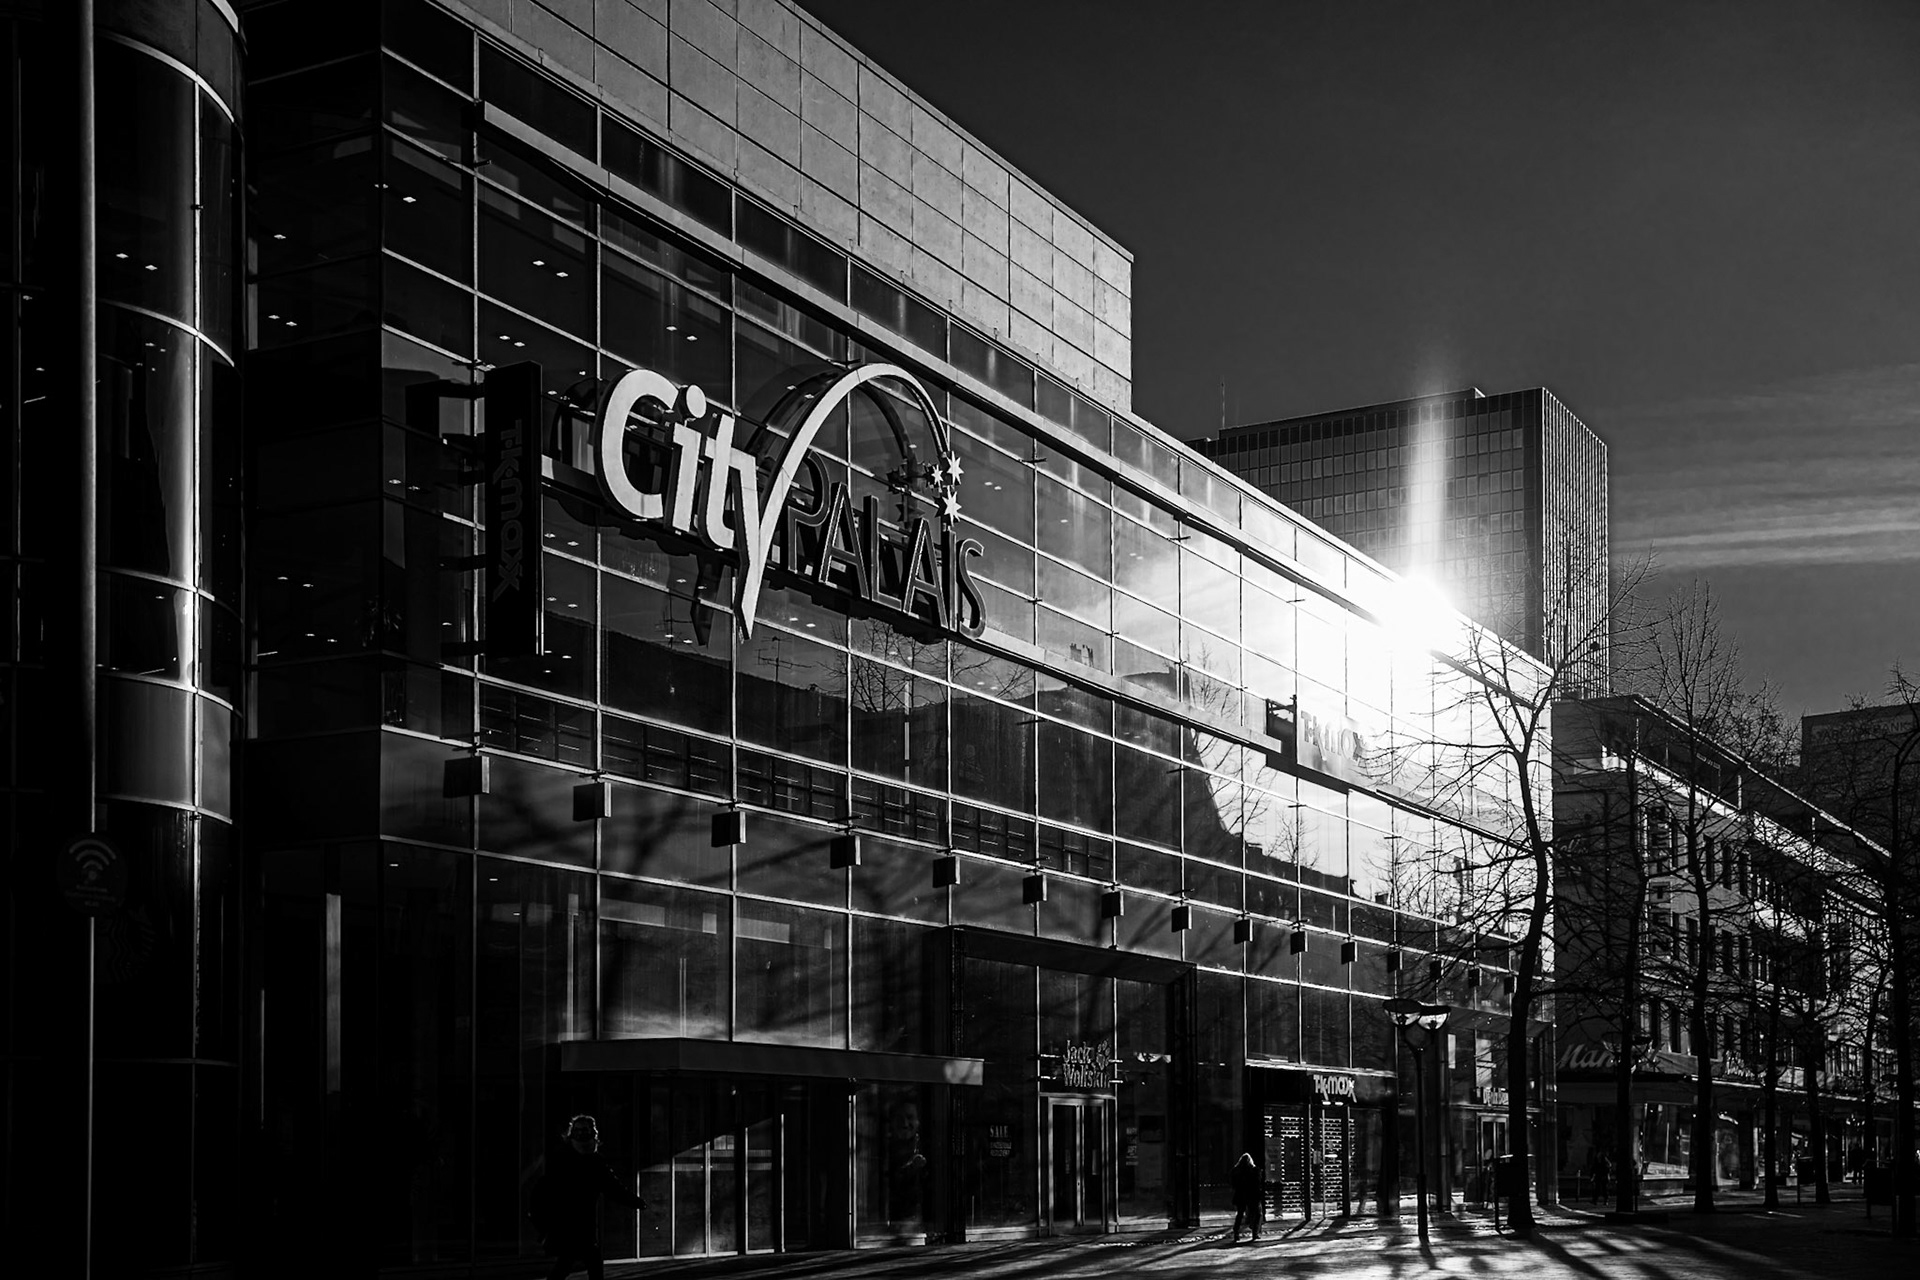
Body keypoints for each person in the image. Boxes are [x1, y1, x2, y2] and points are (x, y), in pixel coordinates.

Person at [531, 1115, 647, 1280]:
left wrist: (635, 1201)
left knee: (569, 1262)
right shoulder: (564, 1160)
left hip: (581, 1223)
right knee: (584, 1262)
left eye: (584, 1131)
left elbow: (612, 1187)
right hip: (567, 1221)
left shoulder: (592, 1161)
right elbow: (544, 1190)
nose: (581, 1135)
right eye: (578, 1131)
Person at [1230, 1152, 1263, 1242]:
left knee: (1240, 1214)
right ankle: (1255, 1233)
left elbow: (1233, 1183)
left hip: (1240, 1195)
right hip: (1252, 1195)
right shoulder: (1254, 1170)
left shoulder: (1236, 1171)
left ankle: (1236, 1232)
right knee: (1257, 1214)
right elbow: (1258, 1183)